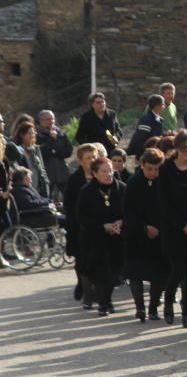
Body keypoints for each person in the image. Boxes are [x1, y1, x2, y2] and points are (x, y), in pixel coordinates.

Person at [159, 130, 187, 329]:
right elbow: (164, 203)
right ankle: (168, 301)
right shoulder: (167, 169)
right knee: (178, 268)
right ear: (176, 149)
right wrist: (182, 225)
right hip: (173, 228)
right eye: (184, 149)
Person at [76, 157, 126, 316]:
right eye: (104, 171)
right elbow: (82, 216)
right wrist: (102, 227)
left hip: (116, 238)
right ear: (95, 174)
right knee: (100, 273)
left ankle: (107, 300)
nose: (108, 174)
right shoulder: (86, 192)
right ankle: (103, 304)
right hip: (94, 239)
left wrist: (120, 222)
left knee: (113, 272)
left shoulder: (121, 188)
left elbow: (130, 210)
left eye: (110, 170)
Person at [123, 148, 168, 322]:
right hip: (137, 236)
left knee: (158, 274)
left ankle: (153, 308)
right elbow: (128, 211)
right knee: (136, 273)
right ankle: (140, 307)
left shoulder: (163, 182)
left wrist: (160, 228)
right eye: (149, 169)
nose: (153, 173)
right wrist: (143, 227)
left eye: (157, 169)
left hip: (159, 235)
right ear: (142, 165)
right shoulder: (133, 183)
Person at [65, 143, 102, 305]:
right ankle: (87, 293)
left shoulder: (103, 174)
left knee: (99, 261)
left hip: (100, 226)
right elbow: (69, 204)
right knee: (82, 261)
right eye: (88, 158)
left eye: (94, 156)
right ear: (80, 161)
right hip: (80, 227)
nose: (92, 160)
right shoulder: (74, 180)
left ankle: (97, 291)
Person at [35, 110, 72, 199]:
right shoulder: (37, 136)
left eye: (52, 119)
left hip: (62, 172)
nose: (51, 121)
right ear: (41, 121)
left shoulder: (61, 133)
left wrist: (56, 150)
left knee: (69, 196)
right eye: (47, 119)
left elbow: (68, 151)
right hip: (48, 173)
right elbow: (42, 152)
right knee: (48, 198)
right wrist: (51, 140)